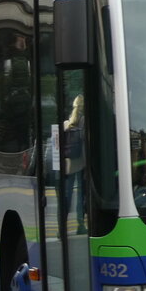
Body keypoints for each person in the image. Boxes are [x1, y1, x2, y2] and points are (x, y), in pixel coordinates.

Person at [62, 95, 86, 235]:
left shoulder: (66, 123)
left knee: (67, 196)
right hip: (81, 163)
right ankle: (80, 225)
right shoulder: (83, 121)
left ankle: (62, 227)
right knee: (80, 195)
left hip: (68, 165)